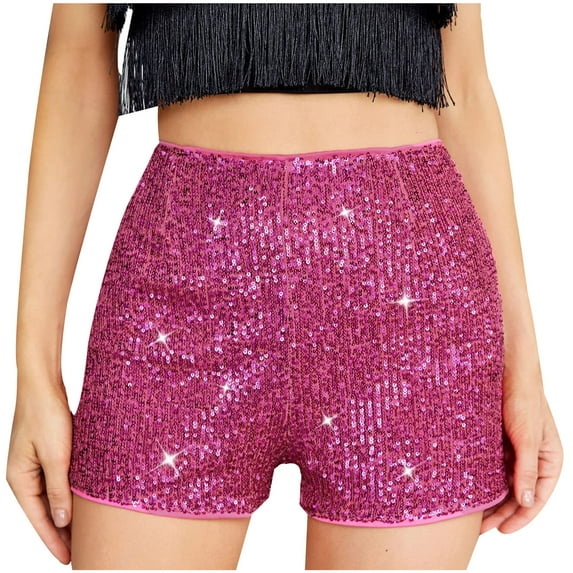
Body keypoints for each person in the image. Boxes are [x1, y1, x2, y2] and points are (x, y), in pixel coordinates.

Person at [6, 3, 563, 570]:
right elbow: (77, 64)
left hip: (407, 300)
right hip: (182, 288)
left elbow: (462, 85)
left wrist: (522, 364)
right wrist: (34, 375)